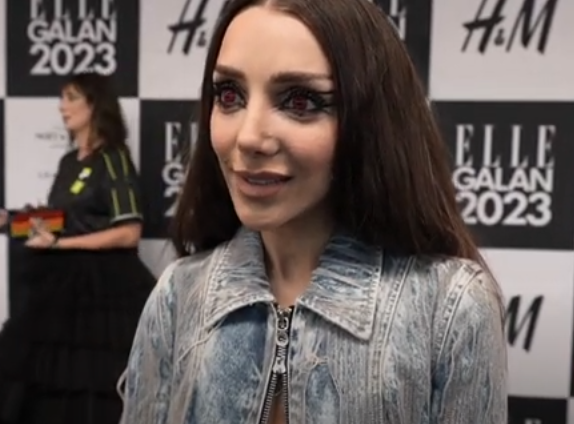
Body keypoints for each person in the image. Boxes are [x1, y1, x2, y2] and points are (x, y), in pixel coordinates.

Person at [119, 0, 508, 423]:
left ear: (368, 119)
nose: (249, 137)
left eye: (300, 102)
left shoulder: (451, 308)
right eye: (229, 95)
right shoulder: (178, 295)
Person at [0, 72, 156, 424]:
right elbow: (61, 219)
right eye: (62, 98)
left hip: (104, 290)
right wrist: (12, 221)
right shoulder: (69, 162)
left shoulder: (114, 158)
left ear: (95, 105)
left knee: (95, 384)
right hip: (59, 284)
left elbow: (129, 232)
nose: (62, 107)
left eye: (71, 98)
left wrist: (61, 243)